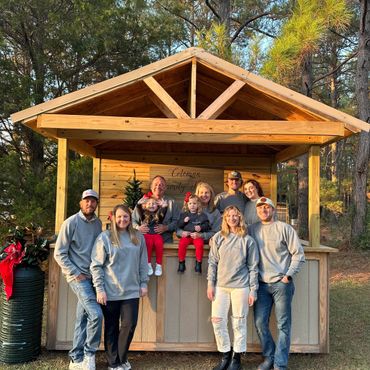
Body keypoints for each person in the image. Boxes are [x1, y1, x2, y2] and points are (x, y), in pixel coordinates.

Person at [248, 197, 305, 370]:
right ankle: (269, 356)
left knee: (283, 325)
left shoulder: (284, 229)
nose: (263, 210)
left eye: (266, 207)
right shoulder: (252, 229)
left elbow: (298, 254)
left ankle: (280, 363)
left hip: (282, 284)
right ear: (257, 211)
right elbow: (234, 237)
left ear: (273, 210)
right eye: (260, 208)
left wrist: (288, 276)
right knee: (259, 322)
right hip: (260, 284)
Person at [90, 204, 149, 370]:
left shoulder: (137, 236)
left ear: (130, 218)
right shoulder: (105, 237)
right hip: (110, 291)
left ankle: (121, 358)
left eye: (126, 216)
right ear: (113, 218)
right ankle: (113, 362)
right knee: (111, 328)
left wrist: (143, 283)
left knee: (129, 325)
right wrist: (99, 289)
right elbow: (96, 265)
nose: (122, 219)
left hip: (131, 290)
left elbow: (142, 262)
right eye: (119, 217)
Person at [54, 189, 103, 370]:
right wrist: (75, 272)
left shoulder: (98, 224)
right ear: (81, 203)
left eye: (93, 201)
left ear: (96, 204)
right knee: (96, 314)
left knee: (82, 317)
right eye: (87, 201)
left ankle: (75, 357)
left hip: (93, 276)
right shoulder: (71, 223)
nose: (90, 204)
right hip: (77, 277)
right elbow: (59, 254)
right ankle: (89, 354)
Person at [207, 205, 259, 370]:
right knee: (217, 321)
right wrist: (210, 284)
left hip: (241, 287)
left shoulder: (248, 240)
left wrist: (253, 290)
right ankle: (225, 355)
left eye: (235, 215)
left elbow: (253, 267)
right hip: (220, 286)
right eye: (229, 216)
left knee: (239, 322)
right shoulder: (218, 238)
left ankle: (236, 358)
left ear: (240, 218)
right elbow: (212, 263)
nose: (232, 218)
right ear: (225, 219)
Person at [132, 175, 180, 244]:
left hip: (165, 243)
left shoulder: (171, 202)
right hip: (144, 242)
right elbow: (133, 220)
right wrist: (138, 228)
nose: (158, 186)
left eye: (161, 185)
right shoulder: (142, 201)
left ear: (165, 188)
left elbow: (177, 222)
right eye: (156, 184)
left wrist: (166, 227)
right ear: (151, 187)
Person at [134, 191, 167, 276]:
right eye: (149, 203)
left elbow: (163, 212)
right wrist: (138, 204)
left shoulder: (158, 215)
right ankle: (148, 264)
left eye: (154, 203)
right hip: (147, 234)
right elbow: (139, 210)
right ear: (145, 205)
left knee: (159, 243)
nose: (152, 205)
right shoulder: (143, 214)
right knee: (147, 245)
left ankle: (159, 265)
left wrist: (164, 206)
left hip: (156, 234)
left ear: (157, 206)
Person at [176, 192, 210, 274]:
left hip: (196, 236)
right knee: (182, 244)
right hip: (187, 236)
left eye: (194, 203)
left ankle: (198, 263)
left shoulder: (202, 215)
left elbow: (207, 226)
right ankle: (181, 263)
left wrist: (201, 227)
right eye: (190, 203)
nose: (192, 205)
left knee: (199, 245)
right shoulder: (184, 214)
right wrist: (184, 221)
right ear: (187, 205)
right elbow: (179, 225)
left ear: (198, 205)